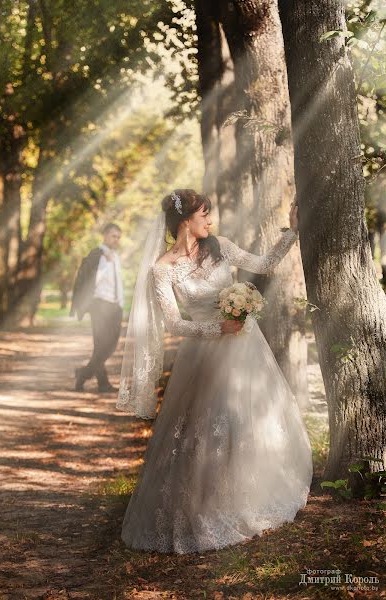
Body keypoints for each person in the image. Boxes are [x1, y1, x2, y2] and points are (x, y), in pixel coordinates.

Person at [116, 190, 313, 554]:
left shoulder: (220, 246)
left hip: (246, 347)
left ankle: (251, 493)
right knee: (207, 426)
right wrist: (214, 330)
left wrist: (293, 230)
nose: (210, 221)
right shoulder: (161, 269)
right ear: (184, 220)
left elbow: (266, 263)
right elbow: (173, 323)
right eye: (205, 215)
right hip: (205, 352)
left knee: (249, 418)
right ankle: (205, 504)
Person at [70, 223, 124, 393]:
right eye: (113, 236)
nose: (116, 240)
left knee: (110, 346)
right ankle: (102, 383)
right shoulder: (96, 255)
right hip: (99, 306)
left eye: (118, 237)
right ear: (105, 235)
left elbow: (118, 282)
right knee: (102, 346)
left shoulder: (115, 256)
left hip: (115, 307)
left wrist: (120, 303)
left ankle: (84, 373)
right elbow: (84, 280)